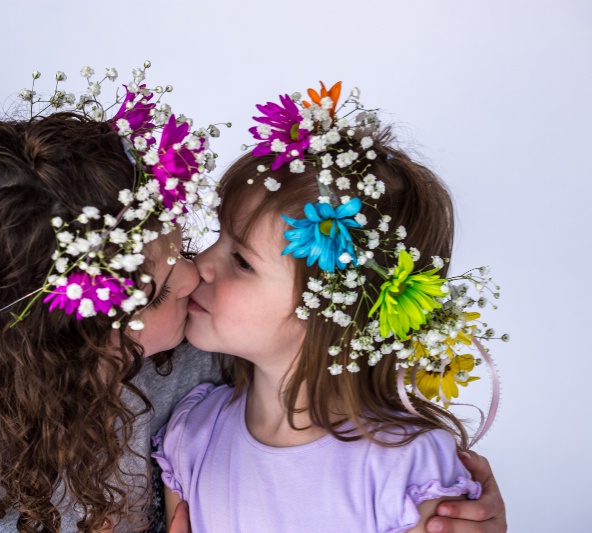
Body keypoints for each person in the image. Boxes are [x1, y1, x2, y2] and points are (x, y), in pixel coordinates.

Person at [0, 69, 505, 533]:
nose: (192, 276)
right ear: (83, 334)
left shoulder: (192, 370)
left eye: (184, 243)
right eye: (158, 280)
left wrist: (471, 509)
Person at [154, 82, 507, 532]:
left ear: (333, 311)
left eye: (241, 261)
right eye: (215, 240)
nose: (199, 265)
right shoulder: (192, 435)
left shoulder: (403, 469)